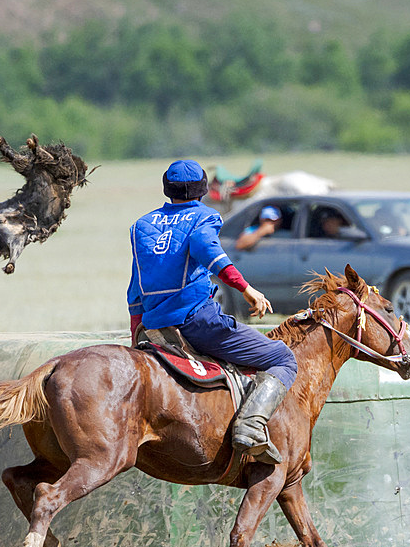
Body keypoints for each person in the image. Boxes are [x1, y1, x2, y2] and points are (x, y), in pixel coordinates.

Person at [127, 160, 297, 465]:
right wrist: (247, 289)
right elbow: (208, 251)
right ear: (203, 190)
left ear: (167, 188)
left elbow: (135, 289)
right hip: (198, 322)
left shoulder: (142, 225)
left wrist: (136, 336)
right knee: (283, 358)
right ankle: (251, 426)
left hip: (154, 327)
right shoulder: (203, 216)